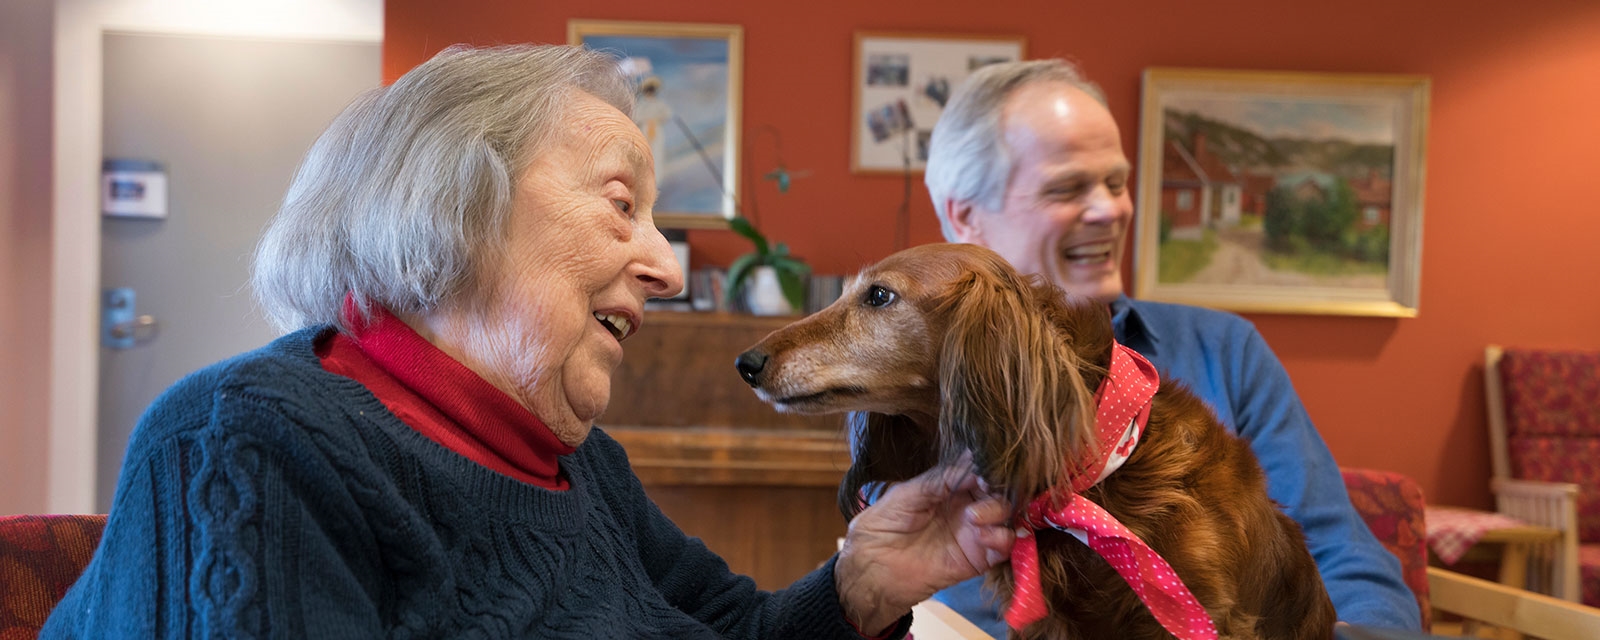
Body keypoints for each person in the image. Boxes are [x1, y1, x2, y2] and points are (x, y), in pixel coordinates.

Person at [41, 44, 1015, 640]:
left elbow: (740, 631)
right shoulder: (247, 443)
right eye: (621, 206)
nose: (668, 271)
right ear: (457, 204)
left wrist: (862, 580)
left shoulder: (580, 464)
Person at [920, 59, 1422, 636]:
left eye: (1116, 182)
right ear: (966, 217)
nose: (1112, 209)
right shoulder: (922, 394)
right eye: (1067, 188)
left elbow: (1342, 555)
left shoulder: (1225, 351)